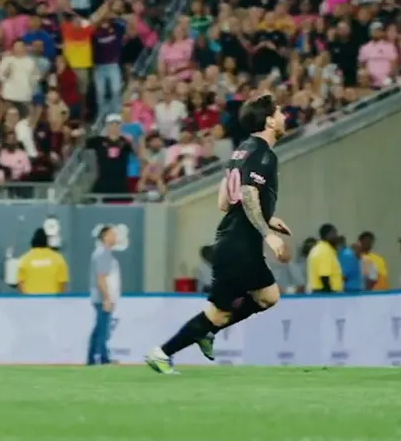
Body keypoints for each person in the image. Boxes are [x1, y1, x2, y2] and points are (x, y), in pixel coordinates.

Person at [146, 94, 291, 374]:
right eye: (279, 112)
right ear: (270, 121)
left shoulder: (240, 152)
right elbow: (247, 193)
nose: (284, 116)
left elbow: (225, 202)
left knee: (268, 296)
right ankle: (162, 353)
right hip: (240, 245)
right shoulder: (264, 155)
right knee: (217, 313)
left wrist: (269, 219)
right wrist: (267, 232)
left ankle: (206, 332)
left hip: (233, 240)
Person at [87, 225, 121, 366]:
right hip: (102, 297)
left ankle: (92, 358)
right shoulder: (103, 254)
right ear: (105, 236)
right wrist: (107, 298)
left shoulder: (103, 253)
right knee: (102, 330)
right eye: (112, 234)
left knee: (99, 329)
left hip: (101, 297)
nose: (115, 237)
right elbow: (101, 278)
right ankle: (102, 358)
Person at [17, 228, 69, 295]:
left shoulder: (24, 260)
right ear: (47, 242)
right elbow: (63, 283)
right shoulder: (58, 259)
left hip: (31, 300)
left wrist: (27, 297)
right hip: (53, 299)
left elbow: (20, 283)